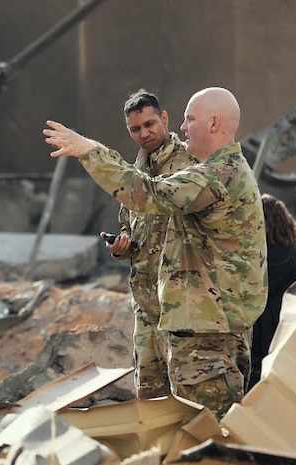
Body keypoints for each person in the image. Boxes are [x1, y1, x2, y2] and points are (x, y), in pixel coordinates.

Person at [42, 87, 268, 419]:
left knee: (204, 434)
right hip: (188, 323)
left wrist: (90, 151)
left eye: (190, 119)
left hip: (208, 331)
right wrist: (126, 247)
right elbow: (146, 221)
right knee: (174, 427)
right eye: (136, 128)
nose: (184, 127)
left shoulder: (216, 173)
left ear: (215, 123)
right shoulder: (212, 169)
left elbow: (149, 194)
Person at [102, 90, 195, 400]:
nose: (144, 133)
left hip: (181, 308)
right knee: (151, 398)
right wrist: (120, 246)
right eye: (135, 129)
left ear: (164, 119)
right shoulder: (136, 171)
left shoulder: (189, 162)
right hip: (145, 308)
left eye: (150, 124)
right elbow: (128, 221)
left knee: (186, 399)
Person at [248, 193, 296, 390]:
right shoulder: (283, 248)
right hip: (275, 318)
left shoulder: (282, 253)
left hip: (272, 320)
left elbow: (258, 288)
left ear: (269, 221)